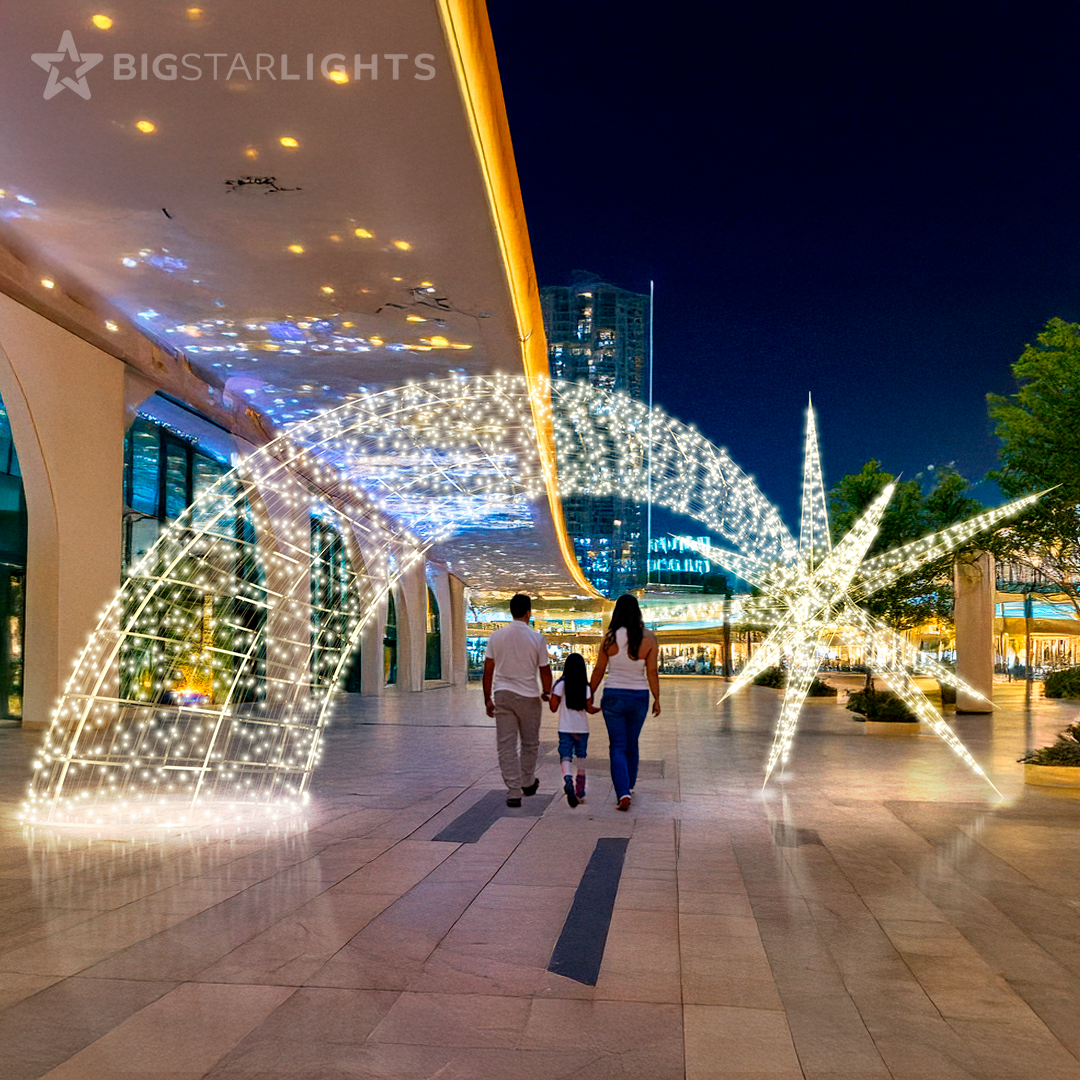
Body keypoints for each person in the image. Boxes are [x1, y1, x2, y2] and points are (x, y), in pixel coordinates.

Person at [590, 594, 660, 811]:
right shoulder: (649, 638)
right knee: (632, 743)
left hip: (613, 695)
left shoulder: (609, 638)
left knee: (617, 746)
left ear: (616, 612)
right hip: (639, 696)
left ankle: (622, 792)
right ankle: (628, 785)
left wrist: (589, 693)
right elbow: (652, 672)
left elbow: (599, 669)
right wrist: (657, 698)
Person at [483, 593, 552, 807]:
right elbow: (545, 670)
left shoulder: (496, 637)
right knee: (530, 743)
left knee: (506, 745)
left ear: (511, 612)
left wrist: (487, 698)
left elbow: (488, 670)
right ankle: (528, 780)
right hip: (529, 696)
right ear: (528, 613)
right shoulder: (537, 638)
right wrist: (547, 692)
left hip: (503, 694)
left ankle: (514, 791)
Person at [549, 652, 600, 808]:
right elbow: (589, 708)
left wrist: (550, 696)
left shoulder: (561, 684)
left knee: (565, 755)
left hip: (565, 727)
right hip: (582, 728)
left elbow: (553, 707)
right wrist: (601, 708)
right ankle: (580, 791)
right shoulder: (585, 687)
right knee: (581, 757)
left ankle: (567, 779)